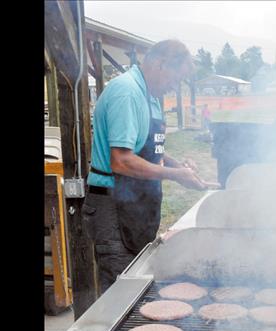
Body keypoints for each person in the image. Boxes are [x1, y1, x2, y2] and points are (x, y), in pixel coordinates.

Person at [82, 39, 207, 294]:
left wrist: (176, 163)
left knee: (139, 283)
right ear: (161, 64)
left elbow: (148, 149)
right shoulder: (126, 92)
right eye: (176, 78)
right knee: (123, 293)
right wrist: (175, 175)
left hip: (138, 207)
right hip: (114, 208)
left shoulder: (149, 97)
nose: (174, 87)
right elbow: (122, 160)